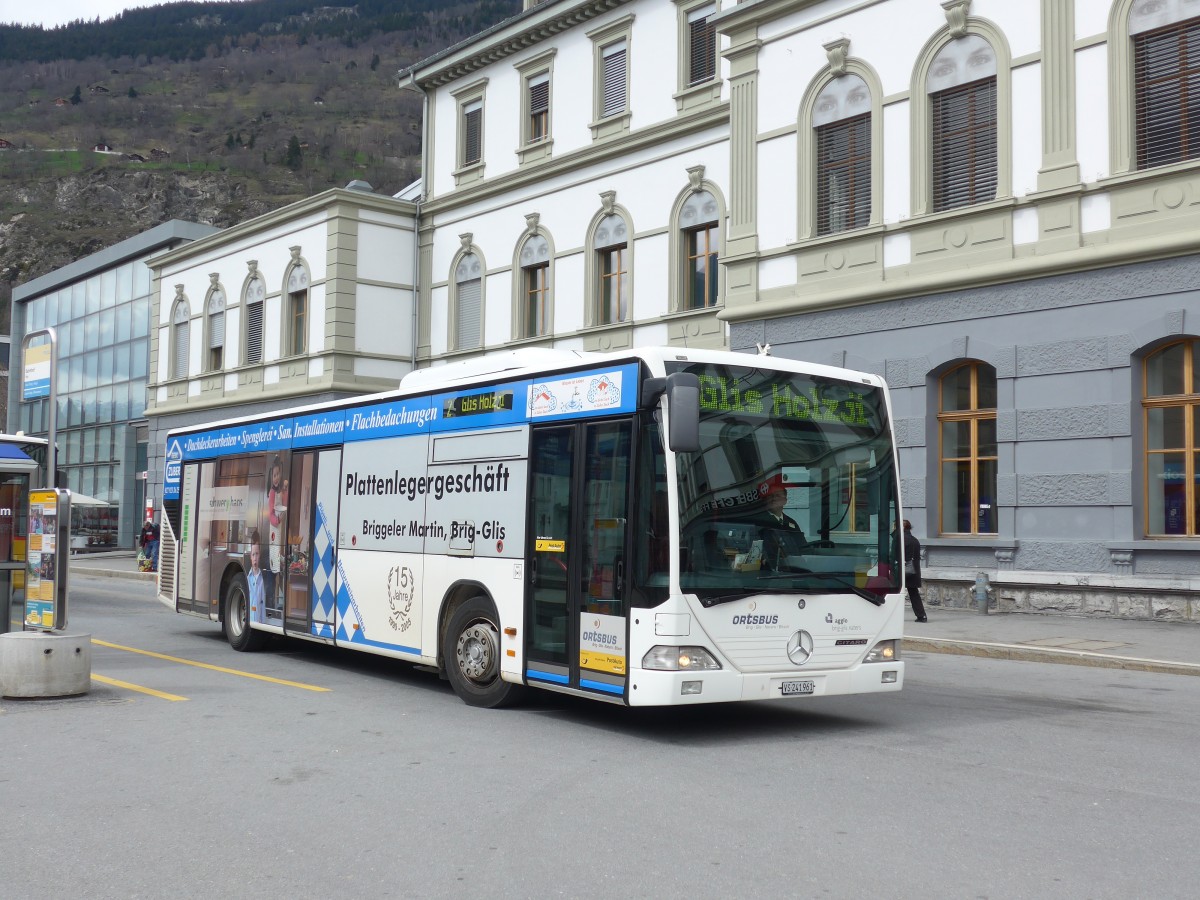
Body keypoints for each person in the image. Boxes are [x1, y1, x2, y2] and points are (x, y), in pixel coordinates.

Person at [757, 478, 806, 569]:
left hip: (793, 569)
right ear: (765, 500)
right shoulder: (758, 522)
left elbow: (803, 547)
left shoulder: (791, 523)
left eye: (778, 495)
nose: (774, 499)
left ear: (785, 500)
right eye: (770, 496)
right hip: (768, 571)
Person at [903, 519, 928, 622]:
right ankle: (921, 615)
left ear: (902, 527)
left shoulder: (902, 539)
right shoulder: (915, 540)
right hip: (914, 571)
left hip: (904, 570)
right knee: (914, 593)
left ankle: (891, 615)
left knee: (893, 591)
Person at [246, 533, 266, 623]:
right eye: (253, 555)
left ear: (260, 555)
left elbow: (263, 604)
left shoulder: (262, 579)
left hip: (258, 621)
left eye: (257, 554)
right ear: (250, 556)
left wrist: (263, 623)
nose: (255, 558)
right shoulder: (247, 578)